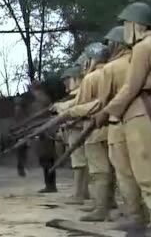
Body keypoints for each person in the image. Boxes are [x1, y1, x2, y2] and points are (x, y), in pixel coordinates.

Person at [92, 2, 151, 234]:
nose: (125, 28)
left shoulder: (145, 47)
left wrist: (107, 111)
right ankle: (148, 219)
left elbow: (130, 88)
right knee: (143, 169)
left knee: (148, 169)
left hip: (143, 111)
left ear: (137, 23)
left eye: (127, 23)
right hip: (145, 110)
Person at [58, 42, 114, 222]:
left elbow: (81, 104)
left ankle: (101, 207)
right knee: (115, 169)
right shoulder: (110, 70)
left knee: (99, 170)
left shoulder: (92, 77)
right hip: (111, 125)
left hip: (95, 126)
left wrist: (65, 110)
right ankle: (108, 203)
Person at [97, 26, 145, 230]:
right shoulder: (140, 59)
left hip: (118, 124)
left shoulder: (111, 68)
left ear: (116, 44)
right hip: (145, 120)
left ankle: (135, 216)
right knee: (146, 172)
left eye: (109, 44)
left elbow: (102, 103)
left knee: (125, 174)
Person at [51, 65, 89, 205]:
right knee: (83, 162)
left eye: (67, 80)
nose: (66, 84)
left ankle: (79, 194)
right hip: (78, 130)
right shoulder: (78, 92)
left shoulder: (82, 91)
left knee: (79, 162)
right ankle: (83, 192)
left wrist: (59, 107)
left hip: (78, 130)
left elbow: (75, 107)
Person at [27, 82, 55, 193]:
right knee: (46, 160)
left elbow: (39, 118)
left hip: (44, 133)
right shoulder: (44, 100)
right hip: (45, 132)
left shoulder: (40, 101)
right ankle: (49, 185)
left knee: (46, 160)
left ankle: (50, 185)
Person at [13, 96, 29, 177]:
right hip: (20, 134)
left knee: (22, 153)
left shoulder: (19, 111)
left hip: (21, 134)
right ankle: (21, 170)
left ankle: (21, 169)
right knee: (21, 153)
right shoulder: (19, 111)